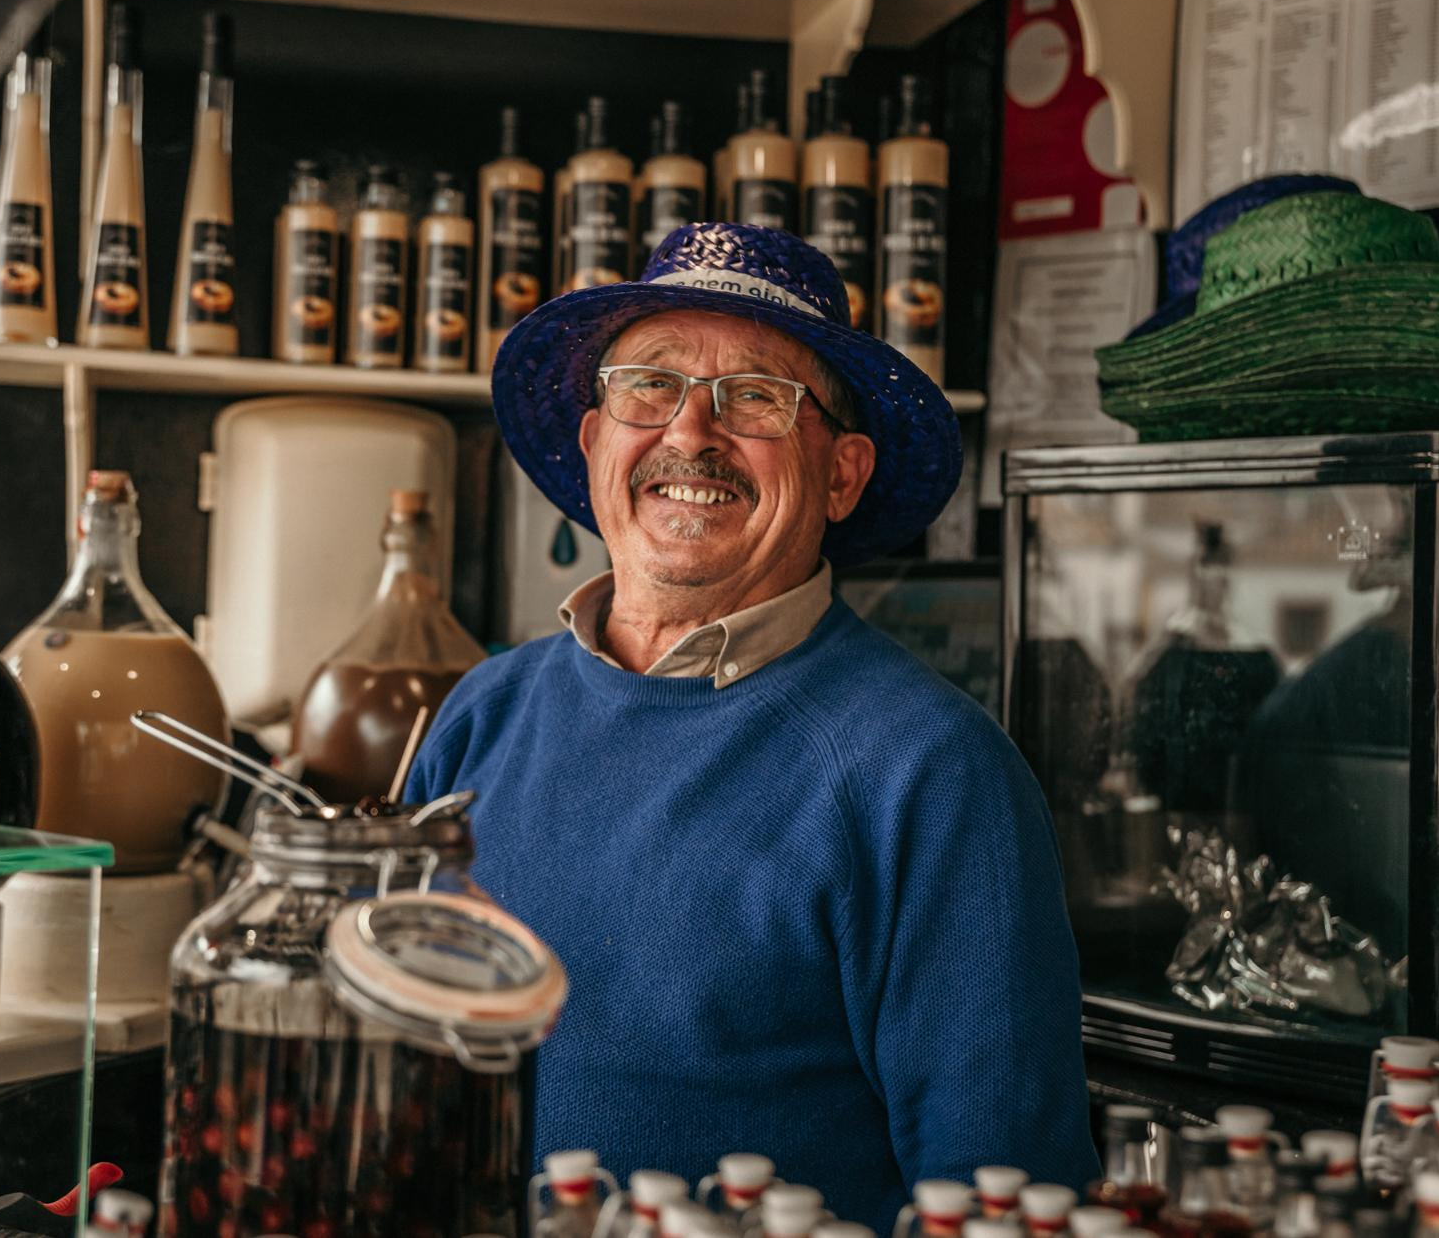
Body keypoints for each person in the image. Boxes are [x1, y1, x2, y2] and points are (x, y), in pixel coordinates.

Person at [402, 223, 1095, 1229]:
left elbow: (1009, 1197)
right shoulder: (483, 713)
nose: (689, 436)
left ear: (842, 474)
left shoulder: (934, 774)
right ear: (596, 439)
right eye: (649, 385)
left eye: (756, 397)